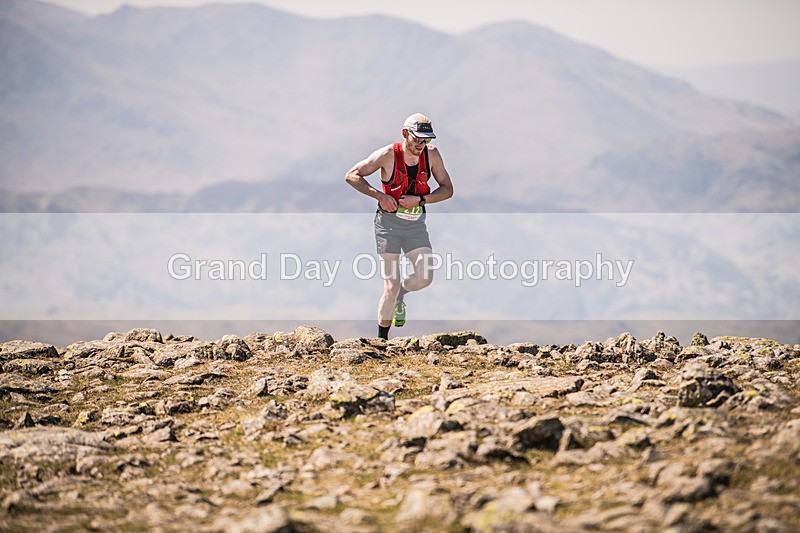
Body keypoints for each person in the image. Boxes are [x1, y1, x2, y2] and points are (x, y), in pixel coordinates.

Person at [345, 113, 454, 340]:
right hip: (388, 226)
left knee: (425, 278)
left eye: (427, 140)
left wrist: (421, 200)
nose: (422, 145)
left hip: (415, 226)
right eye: (418, 139)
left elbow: (447, 189)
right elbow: (352, 175)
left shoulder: (432, 156)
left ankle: (403, 293)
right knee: (390, 286)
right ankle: (381, 342)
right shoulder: (387, 155)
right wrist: (379, 196)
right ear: (405, 134)